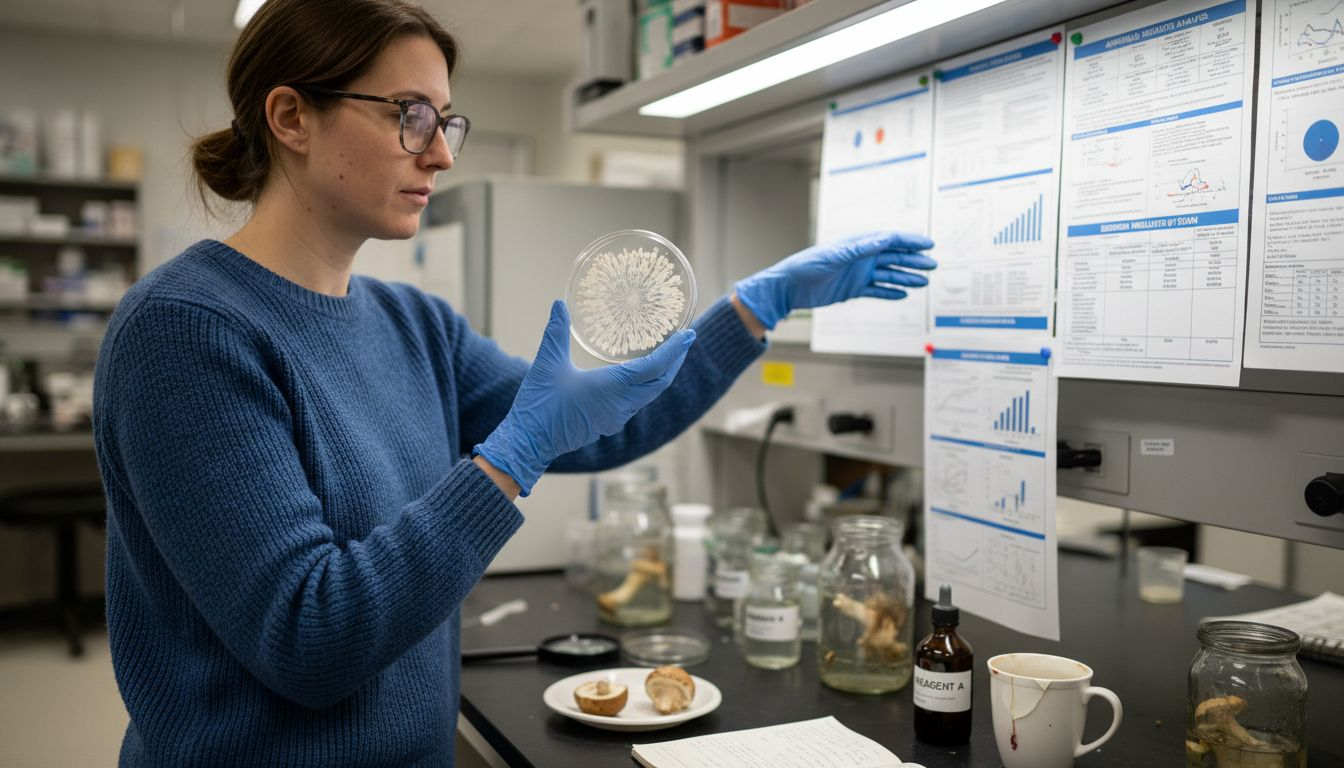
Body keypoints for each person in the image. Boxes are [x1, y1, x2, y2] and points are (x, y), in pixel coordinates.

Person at [91, 0, 936, 764]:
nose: (439, 154)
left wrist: (759, 305)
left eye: (446, 122)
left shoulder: (412, 324)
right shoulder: (187, 333)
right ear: (290, 117)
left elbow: (612, 424)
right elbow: (313, 637)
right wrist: (510, 458)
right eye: (408, 116)